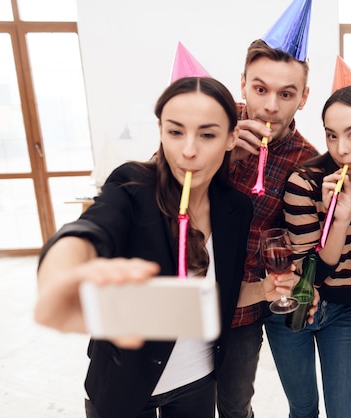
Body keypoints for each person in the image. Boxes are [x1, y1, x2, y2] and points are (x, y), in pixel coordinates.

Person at [34, 77, 261, 417]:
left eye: (208, 134)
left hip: (197, 384)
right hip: (123, 385)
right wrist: (62, 272)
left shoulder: (236, 209)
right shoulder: (133, 186)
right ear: (160, 131)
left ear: (231, 138)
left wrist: (267, 290)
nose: (188, 150)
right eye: (175, 132)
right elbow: (92, 227)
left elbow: (216, 297)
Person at [264, 84, 351, 418]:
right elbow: (310, 274)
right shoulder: (306, 182)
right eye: (331, 135)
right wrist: (339, 220)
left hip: (347, 309)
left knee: (346, 413)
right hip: (293, 308)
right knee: (304, 408)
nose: (342, 149)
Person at [218, 38, 319, 418]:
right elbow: (155, 191)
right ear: (242, 83)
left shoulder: (307, 161)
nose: (271, 106)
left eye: (286, 93)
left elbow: (304, 244)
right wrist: (223, 159)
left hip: (242, 312)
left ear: (303, 97)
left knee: (235, 407)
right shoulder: (210, 127)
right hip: (181, 296)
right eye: (260, 89)